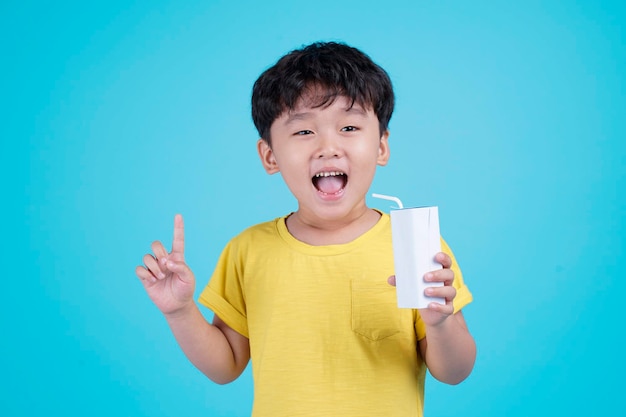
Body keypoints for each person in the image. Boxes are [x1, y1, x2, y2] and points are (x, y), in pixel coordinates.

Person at [136, 41, 476, 417]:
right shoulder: (247, 250)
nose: (328, 147)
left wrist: (441, 324)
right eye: (303, 132)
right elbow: (225, 365)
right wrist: (180, 312)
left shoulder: (415, 245)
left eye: (349, 127)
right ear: (269, 156)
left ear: (381, 146)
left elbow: (454, 372)